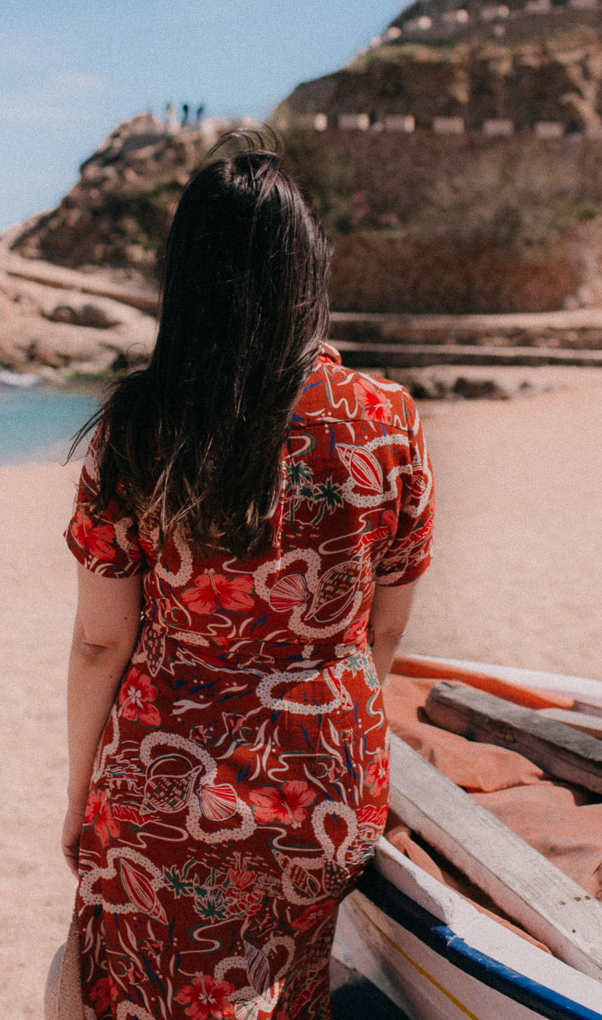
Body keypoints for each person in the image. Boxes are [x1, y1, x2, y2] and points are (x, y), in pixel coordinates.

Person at [60, 141, 434, 1019]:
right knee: (288, 990)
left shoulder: (142, 422)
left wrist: (79, 792)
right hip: (326, 776)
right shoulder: (385, 418)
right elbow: (381, 631)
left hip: (164, 779)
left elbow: (99, 639)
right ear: (309, 268)